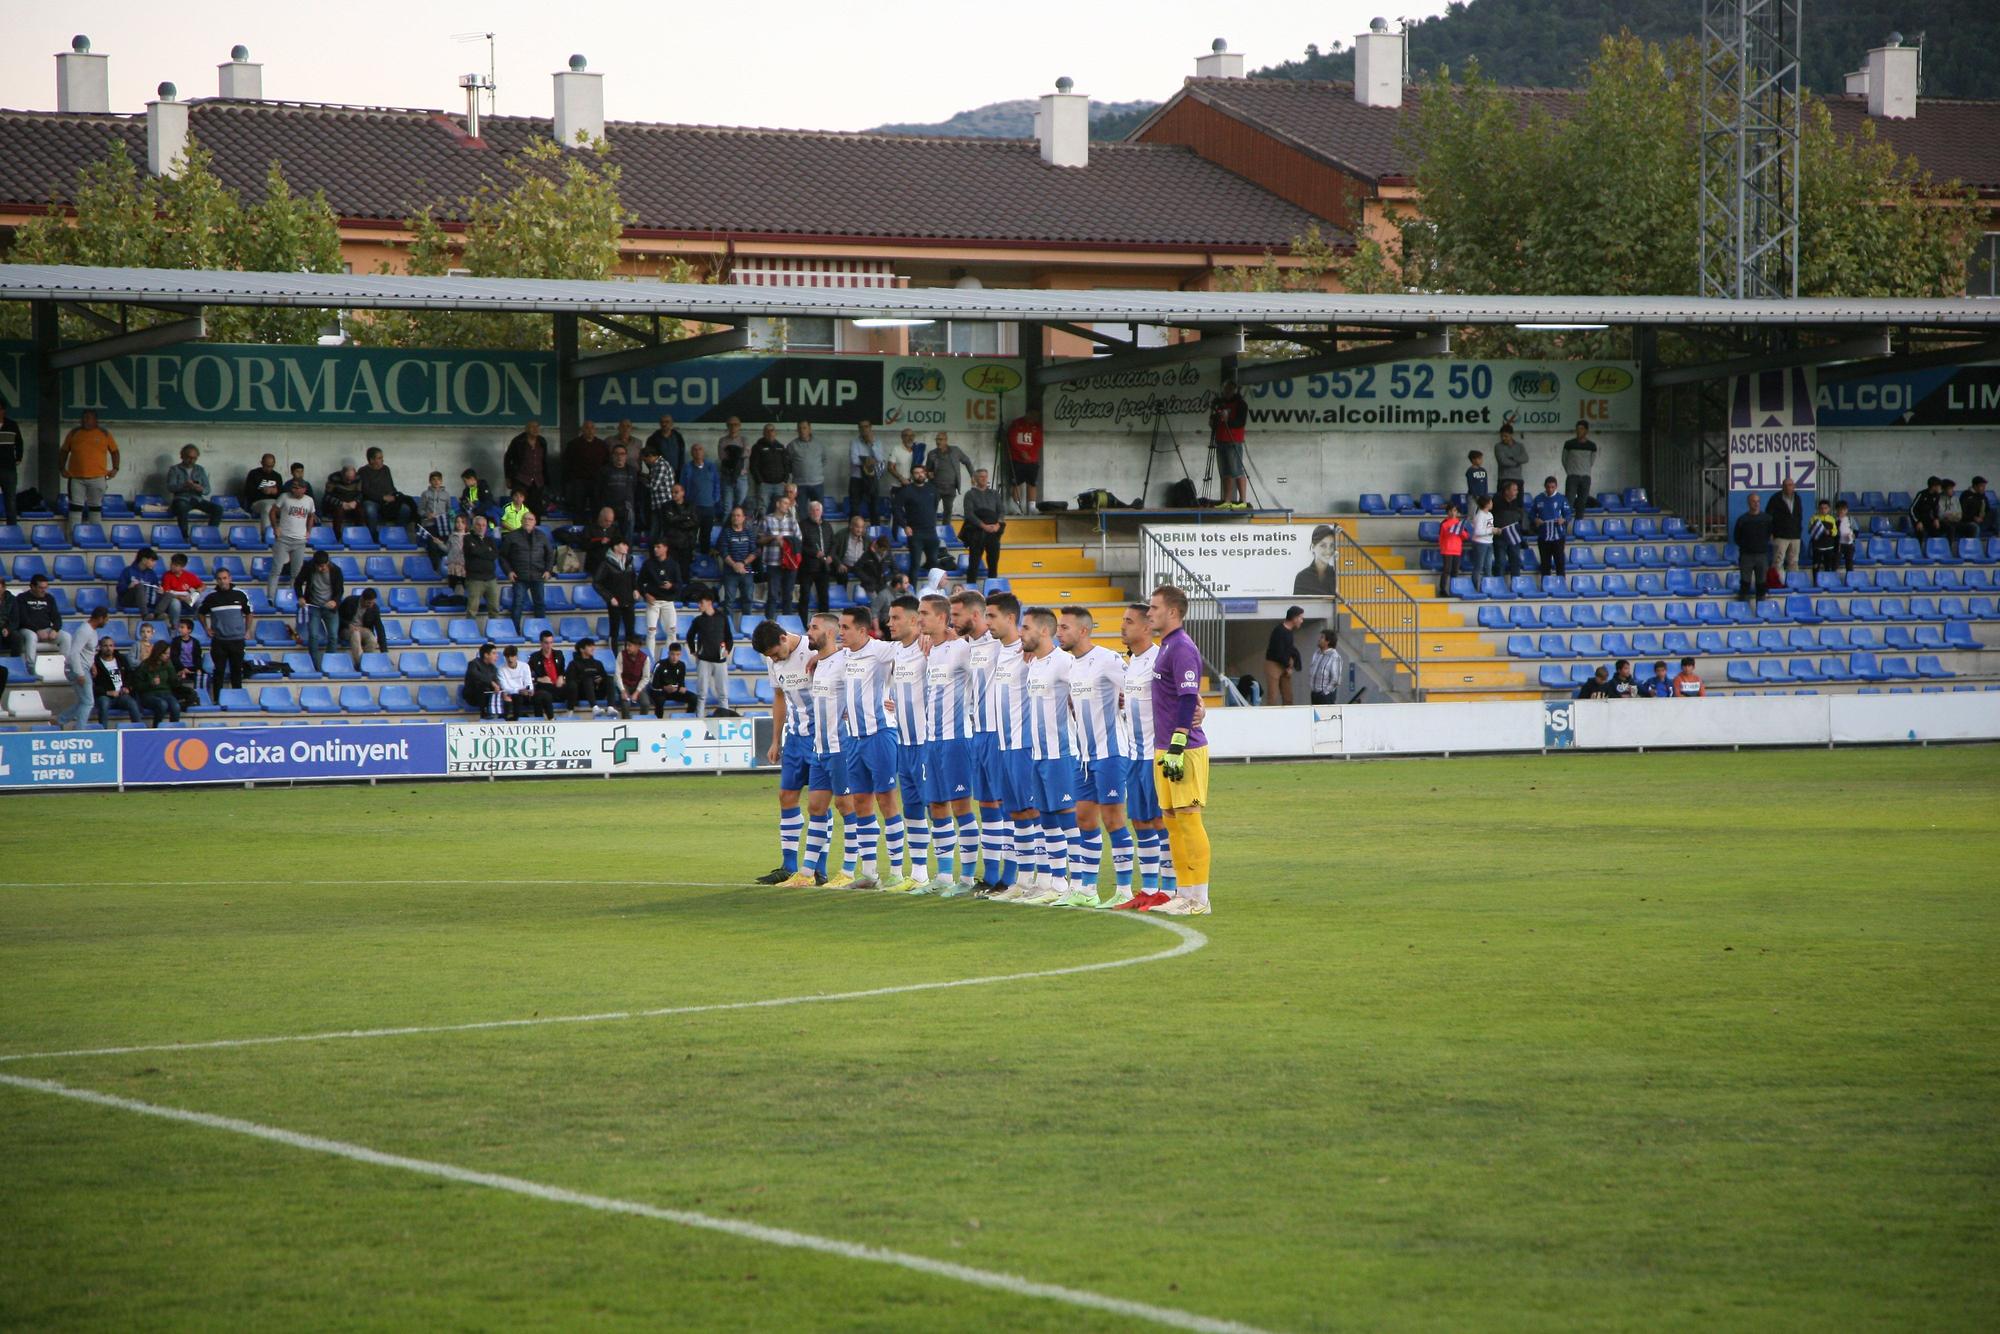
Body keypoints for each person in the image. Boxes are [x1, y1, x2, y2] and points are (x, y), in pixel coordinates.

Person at [1061, 606, 1138, 907]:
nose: (1059, 633)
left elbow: (1134, 688)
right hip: (1084, 757)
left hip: (1111, 753)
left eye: (1065, 628)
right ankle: (1088, 889)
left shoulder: (1107, 659)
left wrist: (1122, 705)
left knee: (1113, 819)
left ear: (1082, 631)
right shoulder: (1070, 665)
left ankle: (1124, 889)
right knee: (1083, 818)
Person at [1007, 606, 1084, 904]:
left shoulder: (1065, 662)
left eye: (1025, 628)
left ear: (1042, 630)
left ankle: (1078, 883)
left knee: (1068, 818)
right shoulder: (1034, 664)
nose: (1021, 634)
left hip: (1062, 753)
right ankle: (1056, 882)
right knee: (1047, 818)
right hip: (1038, 754)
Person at [1144, 585, 1212, 916]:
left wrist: (1179, 740)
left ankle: (1199, 898)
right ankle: (1184, 892)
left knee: (1188, 821)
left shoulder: (1182, 647)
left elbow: (1188, 697)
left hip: (1181, 748)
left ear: (1173, 612)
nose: (1149, 613)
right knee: (1172, 823)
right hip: (1164, 747)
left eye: (1154, 607)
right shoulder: (1166, 646)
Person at [836, 603, 908, 891]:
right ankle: (869, 874)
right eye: (839, 627)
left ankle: (898, 872)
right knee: (861, 803)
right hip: (854, 738)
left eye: (845, 627)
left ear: (862, 630)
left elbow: (910, 649)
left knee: (887, 801)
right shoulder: (843, 656)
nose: (841, 632)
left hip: (880, 735)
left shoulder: (881, 650)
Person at [1110, 603, 1176, 910]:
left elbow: (1184, 700)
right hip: (1133, 755)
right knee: (1140, 821)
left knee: (1162, 823)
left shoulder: (1160, 660)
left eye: (1129, 621)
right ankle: (1149, 889)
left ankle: (1171, 890)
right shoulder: (1131, 662)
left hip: (1155, 754)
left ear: (1147, 627)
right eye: (1122, 621)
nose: (1123, 626)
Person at [914, 592, 979, 896]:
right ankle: (942, 876)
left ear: (941, 618)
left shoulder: (962, 649)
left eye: (924, 613)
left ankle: (966, 879)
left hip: (956, 739)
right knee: (936, 805)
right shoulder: (930, 650)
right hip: (932, 741)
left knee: (961, 807)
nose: (919, 618)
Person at [980, 593, 1041, 901]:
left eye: (991, 616)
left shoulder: (1028, 651)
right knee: (1015, 813)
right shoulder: (994, 649)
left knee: (1034, 811)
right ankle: (1023, 880)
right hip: (1002, 746)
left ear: (1009, 619)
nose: (986, 622)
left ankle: (1048, 878)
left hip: (1025, 745)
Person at [754, 618, 822, 885]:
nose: (773, 659)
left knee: (819, 802)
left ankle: (819, 868)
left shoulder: (813, 651)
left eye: (773, 653)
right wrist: (775, 740)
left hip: (820, 736)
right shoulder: (773, 660)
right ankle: (789, 865)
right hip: (795, 737)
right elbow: (779, 697)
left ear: (784, 639)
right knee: (786, 796)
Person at [953, 587, 1009, 894]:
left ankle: (1017, 876)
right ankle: (992, 876)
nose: (952, 620)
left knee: (1012, 806)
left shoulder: (1003, 645)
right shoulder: (964, 646)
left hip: (1002, 735)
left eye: (957, 615)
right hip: (978, 735)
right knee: (987, 805)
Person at [882, 597, 934, 889]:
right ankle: (919, 873)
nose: (890, 623)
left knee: (936, 807)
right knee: (912, 807)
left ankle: (949, 874)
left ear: (915, 621)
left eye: (896, 618)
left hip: (927, 741)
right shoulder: (894, 652)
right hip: (904, 742)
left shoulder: (929, 648)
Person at [58, 409, 119, 532]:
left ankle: (95, 538)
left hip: (98, 477)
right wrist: (62, 468)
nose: (85, 420)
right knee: (75, 508)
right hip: (76, 477)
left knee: (95, 509)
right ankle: (73, 538)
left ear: (95, 420)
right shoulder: (74, 433)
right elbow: (64, 451)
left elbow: (114, 452)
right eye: (83, 418)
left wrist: (115, 468)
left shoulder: (104, 434)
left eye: (88, 418)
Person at [500, 509, 554, 635]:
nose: (527, 521)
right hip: (519, 577)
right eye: (525, 519)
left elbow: (550, 554)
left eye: (530, 519)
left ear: (535, 522)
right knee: (517, 604)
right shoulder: (512, 536)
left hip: (538, 575)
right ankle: (514, 632)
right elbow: (502, 556)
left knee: (540, 603)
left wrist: (548, 570)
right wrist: (509, 571)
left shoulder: (541, 536)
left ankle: (541, 633)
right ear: (521, 521)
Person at [199, 569, 252, 692]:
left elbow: (249, 613)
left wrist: (248, 630)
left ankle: (238, 699)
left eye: (224, 578)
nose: (222, 581)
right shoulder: (211, 597)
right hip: (219, 641)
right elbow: (201, 613)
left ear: (230, 578)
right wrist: (206, 628)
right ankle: (217, 699)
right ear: (216, 580)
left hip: (237, 640)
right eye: (219, 579)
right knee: (219, 671)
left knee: (237, 671)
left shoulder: (240, 595)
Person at [265, 475, 317, 601]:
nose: (294, 490)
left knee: (297, 573)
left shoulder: (309, 500)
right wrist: (275, 527)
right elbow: (272, 511)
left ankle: (293, 598)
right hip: (283, 538)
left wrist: (309, 531)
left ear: (304, 489)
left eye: (297, 488)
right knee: (276, 570)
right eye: (293, 487)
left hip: (300, 540)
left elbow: (311, 516)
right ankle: (270, 598)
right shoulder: (284, 497)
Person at [58, 606, 109, 729]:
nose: (107, 622)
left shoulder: (93, 631)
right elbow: (74, 652)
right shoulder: (84, 631)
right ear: (100, 618)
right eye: (106, 619)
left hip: (84, 667)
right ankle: (80, 730)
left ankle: (60, 720)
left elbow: (87, 652)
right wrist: (79, 673)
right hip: (77, 668)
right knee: (88, 702)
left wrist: (92, 665)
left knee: (84, 701)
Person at [291, 548, 342, 671]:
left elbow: (340, 590)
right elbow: (297, 583)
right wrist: (301, 597)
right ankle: (315, 664)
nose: (321, 569)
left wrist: (335, 601)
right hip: (314, 606)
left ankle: (329, 662)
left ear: (328, 563)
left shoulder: (336, 571)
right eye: (318, 566)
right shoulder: (308, 567)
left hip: (330, 608)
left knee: (333, 636)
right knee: (313, 635)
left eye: (323, 566)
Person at [157, 443, 220, 539]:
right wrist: (184, 486)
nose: (192, 460)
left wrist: (199, 488)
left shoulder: (200, 469)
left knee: (218, 509)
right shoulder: (175, 469)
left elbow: (207, 490)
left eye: (194, 458)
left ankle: (210, 534)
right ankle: (184, 536)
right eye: (189, 458)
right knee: (182, 508)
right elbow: (171, 487)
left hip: (197, 498)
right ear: (182, 456)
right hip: (181, 498)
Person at [685, 591, 733, 717]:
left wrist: (728, 649)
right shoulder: (698, 620)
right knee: (702, 694)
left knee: (723, 694)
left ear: (709, 603)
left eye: (701, 602)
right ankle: (699, 720)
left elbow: (729, 637)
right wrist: (693, 651)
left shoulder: (722, 617)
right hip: (704, 660)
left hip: (720, 660)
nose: (699, 605)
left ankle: (725, 719)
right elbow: (690, 636)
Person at [758, 494, 801, 618]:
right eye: (785, 503)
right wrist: (773, 537)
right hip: (773, 563)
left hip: (789, 563)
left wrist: (787, 542)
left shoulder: (792, 521)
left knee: (788, 595)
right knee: (772, 595)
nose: (787, 506)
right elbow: (759, 540)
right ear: (778, 504)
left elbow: (799, 539)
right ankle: (770, 624)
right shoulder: (767, 519)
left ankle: (786, 626)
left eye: (788, 504)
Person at [1209, 382, 1250, 509]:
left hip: (1233, 440)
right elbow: (1214, 421)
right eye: (1225, 389)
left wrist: (1228, 419)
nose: (1227, 391)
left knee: (1236, 470)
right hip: (1220, 440)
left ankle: (1242, 501)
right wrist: (1214, 419)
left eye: (1230, 389)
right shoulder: (1220, 404)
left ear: (1234, 390)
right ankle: (1227, 500)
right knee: (1225, 471)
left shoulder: (1241, 404)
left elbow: (1240, 422)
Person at [960, 468, 1005, 582]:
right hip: (976, 533)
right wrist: (983, 526)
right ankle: (971, 588)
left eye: (985, 476)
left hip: (993, 532)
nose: (984, 478)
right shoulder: (970, 494)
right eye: (981, 476)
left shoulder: (995, 494)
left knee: (993, 563)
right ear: (975, 479)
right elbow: (969, 514)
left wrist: (998, 525)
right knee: (974, 563)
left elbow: (1001, 511)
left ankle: (992, 588)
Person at [898, 464, 943, 576]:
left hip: (931, 532)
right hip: (915, 533)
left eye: (922, 472)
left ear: (925, 473)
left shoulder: (932, 488)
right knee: (915, 565)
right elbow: (896, 508)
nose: (920, 475)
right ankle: (912, 592)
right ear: (912, 475)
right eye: (916, 473)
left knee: (934, 565)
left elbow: (934, 505)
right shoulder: (907, 490)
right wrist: (904, 525)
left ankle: (936, 592)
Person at [90, 634, 143, 727]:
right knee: (104, 704)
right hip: (104, 695)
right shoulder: (95, 662)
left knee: (132, 703)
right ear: (100, 647)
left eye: (110, 646)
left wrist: (126, 687)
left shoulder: (121, 659)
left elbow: (129, 675)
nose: (108, 648)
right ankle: (103, 732)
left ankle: (138, 730)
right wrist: (107, 692)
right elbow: (92, 685)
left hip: (120, 695)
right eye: (105, 646)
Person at [594, 538, 639, 646]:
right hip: (615, 602)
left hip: (629, 600)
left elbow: (633, 578)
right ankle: (613, 656)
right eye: (623, 544)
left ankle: (628, 658)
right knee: (614, 632)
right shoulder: (606, 563)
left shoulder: (629, 561)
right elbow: (597, 583)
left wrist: (636, 589)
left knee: (630, 632)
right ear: (615, 546)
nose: (626, 547)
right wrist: (609, 597)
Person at [461, 514, 502, 633]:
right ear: (473, 526)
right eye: (478, 525)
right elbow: (473, 551)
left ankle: (495, 632)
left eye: (484, 525)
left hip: (491, 579)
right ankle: (469, 633)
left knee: (494, 608)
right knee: (472, 609)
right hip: (475, 579)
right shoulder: (467, 538)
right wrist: (486, 550)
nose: (481, 527)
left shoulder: (490, 540)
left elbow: (494, 555)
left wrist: (480, 551)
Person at [358, 447, 412, 535]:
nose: (382, 460)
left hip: (388, 501)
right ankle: (372, 536)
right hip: (372, 501)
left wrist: (394, 496)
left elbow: (391, 486)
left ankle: (399, 535)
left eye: (382, 458)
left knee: (405, 509)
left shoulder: (386, 469)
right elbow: (365, 491)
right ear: (371, 460)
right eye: (379, 458)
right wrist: (382, 497)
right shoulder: (363, 471)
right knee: (370, 510)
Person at [796, 498, 836, 617]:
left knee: (824, 598)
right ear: (809, 512)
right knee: (805, 597)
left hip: (823, 568)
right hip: (807, 568)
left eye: (817, 510)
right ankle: (803, 625)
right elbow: (799, 545)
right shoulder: (802, 525)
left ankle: (824, 624)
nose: (815, 512)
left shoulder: (827, 525)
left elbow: (833, 543)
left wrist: (831, 556)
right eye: (812, 510)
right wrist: (814, 553)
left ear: (821, 512)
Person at [1527, 476, 1572, 579]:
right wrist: (1535, 520)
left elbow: (1568, 514)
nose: (1550, 489)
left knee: (1560, 563)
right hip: (1543, 536)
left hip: (1558, 536)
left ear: (1556, 487)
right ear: (1545, 487)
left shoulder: (1561, 499)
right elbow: (1531, 514)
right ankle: (1546, 585)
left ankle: (1561, 585)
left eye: (1553, 487)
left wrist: (1563, 520)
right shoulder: (1538, 498)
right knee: (1545, 564)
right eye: (1548, 487)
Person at [679, 443, 721, 551]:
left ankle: (704, 560)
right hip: (693, 507)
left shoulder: (711, 466)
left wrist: (714, 499)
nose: (697, 451)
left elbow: (717, 484)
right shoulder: (687, 467)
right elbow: (682, 485)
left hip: (708, 507)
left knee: (705, 536)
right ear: (692, 453)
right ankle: (689, 560)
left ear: (703, 452)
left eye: (700, 449)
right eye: (695, 449)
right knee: (690, 535)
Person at [1733, 492, 1774, 602]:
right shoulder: (1742, 520)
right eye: (1753, 501)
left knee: (1761, 584)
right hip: (1746, 556)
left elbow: (1771, 534)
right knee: (1745, 583)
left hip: (1762, 555)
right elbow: (1737, 537)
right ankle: (1744, 609)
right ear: (1748, 503)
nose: (1756, 504)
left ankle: (1761, 609)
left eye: (1758, 501)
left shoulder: (1767, 519)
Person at [716, 507, 758, 615]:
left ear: (744, 518)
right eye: (733, 515)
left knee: (748, 599)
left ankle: (748, 626)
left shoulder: (749, 532)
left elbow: (755, 552)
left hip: (746, 571)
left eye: (738, 515)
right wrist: (734, 565)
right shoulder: (726, 533)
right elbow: (723, 552)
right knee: (729, 601)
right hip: (730, 572)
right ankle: (728, 629)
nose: (735, 518)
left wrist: (743, 564)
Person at [12, 573, 62, 662]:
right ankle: (31, 665)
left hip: (46, 629)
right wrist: (37, 630)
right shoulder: (22, 598)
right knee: (32, 636)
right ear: (32, 587)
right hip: (27, 629)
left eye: (45, 587)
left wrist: (55, 629)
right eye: (41, 588)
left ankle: (65, 665)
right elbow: (23, 619)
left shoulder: (49, 598)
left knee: (66, 637)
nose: (44, 591)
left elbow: (57, 617)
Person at [132, 640, 182, 727]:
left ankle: (174, 730)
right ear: (159, 653)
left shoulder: (168, 664)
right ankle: (156, 729)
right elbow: (137, 686)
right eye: (165, 653)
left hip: (166, 693)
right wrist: (150, 683)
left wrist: (179, 677)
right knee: (162, 704)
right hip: (149, 694)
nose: (168, 656)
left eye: (168, 653)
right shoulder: (145, 665)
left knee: (176, 706)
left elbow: (174, 683)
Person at [503, 419, 549, 515]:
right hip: (521, 479)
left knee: (536, 507)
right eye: (532, 427)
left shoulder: (542, 441)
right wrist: (508, 477)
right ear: (526, 429)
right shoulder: (518, 441)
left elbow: (544, 461)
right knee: (521, 506)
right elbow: (508, 459)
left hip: (538, 480)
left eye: (537, 427)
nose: (535, 429)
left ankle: (536, 528)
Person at [562, 420, 608, 513]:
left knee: (596, 508)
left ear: (595, 430)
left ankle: (595, 527)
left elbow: (606, 463)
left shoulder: (601, 445)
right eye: (587, 428)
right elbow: (567, 463)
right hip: (579, 482)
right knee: (578, 509)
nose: (590, 430)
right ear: (582, 430)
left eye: (592, 428)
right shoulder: (573, 444)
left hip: (596, 481)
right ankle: (579, 527)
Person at [926, 431, 972, 521]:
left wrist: (973, 475)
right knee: (931, 510)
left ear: (946, 440)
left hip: (950, 488)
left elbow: (967, 461)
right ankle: (931, 530)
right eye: (937, 439)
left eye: (940, 439)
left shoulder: (955, 450)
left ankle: (946, 530)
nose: (938, 442)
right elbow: (928, 469)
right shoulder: (932, 454)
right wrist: (928, 474)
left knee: (948, 511)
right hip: (935, 487)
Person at [565, 637, 617, 717]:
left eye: (593, 646)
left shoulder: (598, 663)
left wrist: (601, 679)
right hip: (581, 693)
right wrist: (588, 679)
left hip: (597, 691)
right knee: (588, 679)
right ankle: (594, 708)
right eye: (589, 646)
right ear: (582, 649)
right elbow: (570, 680)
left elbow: (604, 676)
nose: (593, 648)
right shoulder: (573, 664)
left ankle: (610, 707)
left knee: (609, 678)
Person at [597, 442, 642, 534]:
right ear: (612, 456)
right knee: (610, 536)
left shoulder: (632, 470)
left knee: (627, 537)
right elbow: (598, 490)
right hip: (609, 508)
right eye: (616, 454)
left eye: (622, 454)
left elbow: (635, 488)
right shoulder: (604, 470)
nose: (619, 456)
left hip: (627, 509)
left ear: (626, 456)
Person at [655, 484, 700, 573]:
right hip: (671, 542)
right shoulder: (666, 506)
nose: (673, 494)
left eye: (676, 492)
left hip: (686, 543)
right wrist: (686, 518)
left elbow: (695, 522)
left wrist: (677, 519)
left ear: (683, 492)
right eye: (672, 492)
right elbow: (669, 520)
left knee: (685, 571)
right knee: (671, 571)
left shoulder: (691, 505)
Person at [1005, 408, 1043, 514]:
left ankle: (1032, 507)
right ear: (1028, 413)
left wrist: (1029, 454)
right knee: (1017, 483)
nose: (1034, 418)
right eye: (1033, 415)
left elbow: (1038, 442)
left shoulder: (1037, 426)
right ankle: (1017, 506)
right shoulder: (1017, 424)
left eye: (1036, 416)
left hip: (1032, 460)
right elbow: (1012, 439)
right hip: (1017, 459)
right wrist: (1021, 452)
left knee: (1032, 483)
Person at [1264, 606, 1304, 706]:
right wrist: (1288, 666)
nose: (1302, 621)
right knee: (1273, 696)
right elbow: (1278, 652)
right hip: (1274, 664)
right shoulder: (1279, 631)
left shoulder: (1289, 631)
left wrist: (1294, 662)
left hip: (1285, 664)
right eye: (1300, 618)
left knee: (1288, 696)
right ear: (1294, 618)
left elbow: (1290, 648)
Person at [748, 423, 790, 517]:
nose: (770, 433)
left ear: (775, 433)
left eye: (772, 430)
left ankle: (777, 530)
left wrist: (785, 480)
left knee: (780, 509)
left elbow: (786, 465)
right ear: (763, 433)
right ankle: (761, 530)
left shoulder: (780, 447)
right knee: (762, 509)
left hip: (780, 484)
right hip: (764, 485)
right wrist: (760, 481)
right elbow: (753, 466)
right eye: (767, 431)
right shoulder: (758, 447)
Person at [847, 421, 885, 525]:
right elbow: (854, 460)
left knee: (875, 509)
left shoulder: (877, 442)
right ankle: (852, 535)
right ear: (858, 429)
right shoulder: (854, 442)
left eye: (866, 426)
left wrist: (872, 444)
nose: (864, 429)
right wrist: (868, 461)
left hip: (872, 479)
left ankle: (876, 536)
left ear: (871, 427)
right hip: (857, 479)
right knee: (854, 509)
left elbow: (880, 459)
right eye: (861, 427)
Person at [648, 642, 700, 718]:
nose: (675, 657)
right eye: (672, 654)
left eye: (677, 654)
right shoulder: (659, 664)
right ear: (668, 653)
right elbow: (653, 684)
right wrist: (665, 688)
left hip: (674, 691)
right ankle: (659, 721)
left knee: (694, 698)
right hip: (660, 691)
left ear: (680, 655)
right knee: (660, 700)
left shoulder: (682, 665)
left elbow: (681, 681)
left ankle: (688, 719)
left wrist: (682, 687)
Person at [339, 587, 384, 669]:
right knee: (355, 634)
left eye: (372, 602)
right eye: (369, 603)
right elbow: (337, 617)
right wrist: (348, 624)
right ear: (362, 599)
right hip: (346, 629)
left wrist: (384, 651)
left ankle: (367, 661)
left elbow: (379, 627)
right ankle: (360, 664)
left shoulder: (374, 608)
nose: (371, 605)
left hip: (363, 629)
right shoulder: (349, 601)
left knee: (373, 640)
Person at [714, 417, 750, 518]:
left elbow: (745, 454)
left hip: (741, 477)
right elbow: (723, 457)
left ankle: (739, 532)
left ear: (739, 426)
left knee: (740, 506)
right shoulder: (723, 440)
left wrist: (732, 453)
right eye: (730, 424)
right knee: (727, 507)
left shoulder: (744, 440)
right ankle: (726, 532)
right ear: (727, 426)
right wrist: (737, 454)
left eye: (735, 424)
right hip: (727, 476)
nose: (733, 427)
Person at [1767, 476, 1803, 575]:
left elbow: (1799, 516)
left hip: (1795, 535)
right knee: (1778, 562)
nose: (1788, 487)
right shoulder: (1775, 498)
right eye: (1786, 485)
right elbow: (1769, 517)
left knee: (1794, 562)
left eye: (1790, 485)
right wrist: (1771, 532)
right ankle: (1777, 584)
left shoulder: (1797, 498)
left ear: (1794, 486)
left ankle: (1793, 583)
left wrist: (1798, 530)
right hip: (1780, 535)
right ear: (1782, 486)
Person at [159, 551, 204, 630]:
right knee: (175, 604)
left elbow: (202, 585)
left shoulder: (189, 575)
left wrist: (196, 592)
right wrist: (181, 597)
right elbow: (166, 593)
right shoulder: (167, 576)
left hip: (187, 599)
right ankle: (175, 627)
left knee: (200, 604)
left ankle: (197, 627)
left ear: (182, 566)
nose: (172, 566)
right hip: (173, 599)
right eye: (172, 564)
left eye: (176, 565)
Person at [497, 644, 544, 719]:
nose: (510, 659)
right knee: (517, 697)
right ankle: (517, 719)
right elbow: (505, 688)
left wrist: (529, 690)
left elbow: (528, 682)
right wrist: (518, 691)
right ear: (505, 657)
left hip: (525, 694)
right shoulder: (501, 669)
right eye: (507, 656)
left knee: (542, 695)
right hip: (512, 694)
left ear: (516, 656)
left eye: (512, 656)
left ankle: (541, 719)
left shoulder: (524, 666)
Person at [1492, 480, 1527, 580]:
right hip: (1500, 538)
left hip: (1513, 537)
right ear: (1506, 491)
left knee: (1516, 560)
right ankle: (1498, 585)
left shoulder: (1517, 502)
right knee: (1500, 562)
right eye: (1514, 490)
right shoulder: (1496, 501)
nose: (1517, 492)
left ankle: (1516, 584)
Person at [786, 421, 823, 513]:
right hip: (800, 484)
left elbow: (824, 460)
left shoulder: (819, 444)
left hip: (817, 484)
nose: (802, 431)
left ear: (810, 429)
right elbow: (788, 463)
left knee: (818, 512)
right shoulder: (792, 445)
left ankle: (818, 527)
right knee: (801, 512)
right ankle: (802, 528)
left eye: (804, 428)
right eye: (800, 428)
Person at [644, 415, 687, 493]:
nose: (664, 424)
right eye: (662, 422)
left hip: (676, 475)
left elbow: (682, 456)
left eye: (667, 422)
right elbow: (647, 458)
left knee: (674, 499)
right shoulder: (652, 439)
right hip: (659, 476)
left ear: (672, 423)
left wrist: (681, 471)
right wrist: (656, 470)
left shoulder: (678, 437)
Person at [1560, 420, 1597, 515]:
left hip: (1585, 477)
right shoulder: (1569, 444)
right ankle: (1565, 525)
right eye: (1577, 429)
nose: (1578, 431)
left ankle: (1579, 525)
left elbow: (1591, 461)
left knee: (1582, 503)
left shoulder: (1592, 446)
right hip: (1572, 476)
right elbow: (1564, 459)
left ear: (1586, 431)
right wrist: (1570, 471)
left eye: (1581, 429)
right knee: (1569, 502)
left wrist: (1584, 469)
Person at [117, 547, 164, 619]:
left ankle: (157, 614)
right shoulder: (128, 571)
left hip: (147, 600)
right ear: (144, 560)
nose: (155, 563)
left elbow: (155, 588)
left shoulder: (152, 573)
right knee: (139, 586)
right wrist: (129, 586)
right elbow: (119, 590)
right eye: (152, 560)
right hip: (130, 601)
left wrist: (160, 591)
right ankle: (145, 615)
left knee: (169, 594)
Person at [166, 618, 204, 706]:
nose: (180, 629)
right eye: (179, 627)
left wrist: (198, 668)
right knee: (175, 678)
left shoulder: (195, 642)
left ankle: (199, 697)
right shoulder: (176, 641)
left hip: (192, 668)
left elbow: (198, 657)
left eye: (182, 627)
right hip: (179, 668)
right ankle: (180, 698)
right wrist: (182, 668)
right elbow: (174, 657)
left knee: (203, 676)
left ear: (189, 630)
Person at [1293, 523, 1339, 597]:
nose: (1328, 551)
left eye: (1331, 546)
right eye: (1323, 546)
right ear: (1313, 547)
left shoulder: (1335, 574)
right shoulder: (1302, 577)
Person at [528, 632, 568, 716]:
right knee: (543, 691)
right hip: (545, 688)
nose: (549, 646)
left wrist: (562, 677)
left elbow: (563, 670)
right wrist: (539, 679)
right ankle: (549, 718)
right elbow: (527, 676)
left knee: (572, 686)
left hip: (558, 687)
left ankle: (570, 712)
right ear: (541, 643)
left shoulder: (559, 654)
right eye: (546, 643)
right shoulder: (534, 657)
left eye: (551, 642)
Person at [613, 638, 651, 719]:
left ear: (637, 646)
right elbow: (617, 674)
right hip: (625, 684)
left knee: (646, 703)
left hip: (638, 685)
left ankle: (642, 722)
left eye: (629, 645)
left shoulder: (645, 658)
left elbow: (646, 677)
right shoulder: (621, 655)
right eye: (626, 645)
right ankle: (626, 723)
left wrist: (637, 692)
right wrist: (622, 690)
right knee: (625, 703)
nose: (627, 647)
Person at [322, 464, 366, 533]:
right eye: (347, 479)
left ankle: (358, 535)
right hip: (338, 503)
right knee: (338, 511)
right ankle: (337, 537)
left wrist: (355, 502)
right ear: (342, 475)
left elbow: (361, 494)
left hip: (352, 503)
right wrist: (342, 504)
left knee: (361, 511)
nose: (349, 482)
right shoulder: (333, 478)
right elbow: (327, 496)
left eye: (351, 479)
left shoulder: (358, 478)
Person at [581, 505, 623, 576]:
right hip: (594, 564)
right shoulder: (590, 528)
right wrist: (600, 542)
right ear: (600, 518)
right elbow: (584, 545)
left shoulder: (615, 529)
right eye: (606, 521)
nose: (609, 523)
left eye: (611, 521)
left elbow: (619, 543)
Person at [0, 396, 23, 525]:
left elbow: (19, 443)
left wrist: (19, 458)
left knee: (10, 501)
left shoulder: (12, 425)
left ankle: (12, 529)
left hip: (9, 469)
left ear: (4, 411)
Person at [461, 642, 501, 715]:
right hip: (473, 695)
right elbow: (475, 674)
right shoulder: (473, 663)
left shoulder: (493, 668)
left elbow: (496, 680)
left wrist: (497, 686)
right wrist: (491, 682)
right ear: (486, 655)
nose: (497, 656)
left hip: (487, 695)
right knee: (481, 686)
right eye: (494, 653)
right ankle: (484, 713)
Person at [1435, 502, 1466, 597]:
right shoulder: (1444, 523)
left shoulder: (1459, 523)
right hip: (1447, 549)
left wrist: (1461, 532)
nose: (1453, 513)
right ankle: (1443, 589)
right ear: (1447, 512)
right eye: (1451, 511)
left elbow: (1465, 536)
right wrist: (1442, 547)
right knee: (1446, 570)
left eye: (1455, 511)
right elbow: (1441, 537)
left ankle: (1454, 589)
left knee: (1455, 571)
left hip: (1457, 550)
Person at [1466, 494, 1496, 586]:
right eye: (1490, 502)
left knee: (1488, 566)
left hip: (1489, 542)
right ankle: (1475, 586)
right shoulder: (1480, 515)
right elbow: (1478, 531)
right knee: (1479, 566)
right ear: (1486, 504)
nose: (1492, 503)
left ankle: (1487, 586)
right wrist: (1491, 530)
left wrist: (1494, 530)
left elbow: (1489, 528)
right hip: (1480, 543)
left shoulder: (1490, 514)